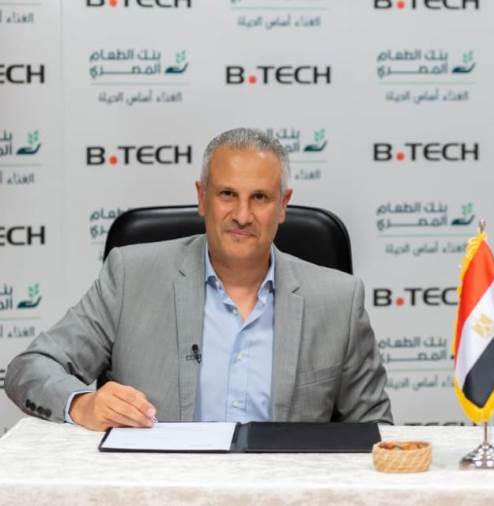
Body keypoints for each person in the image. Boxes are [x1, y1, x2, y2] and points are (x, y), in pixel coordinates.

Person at [6, 128, 392, 431]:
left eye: (259, 198)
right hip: (156, 491)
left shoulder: (338, 301)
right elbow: (31, 367)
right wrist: (82, 404)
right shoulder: (130, 276)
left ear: (282, 206)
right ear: (202, 197)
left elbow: (375, 433)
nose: (242, 215)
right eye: (227, 194)